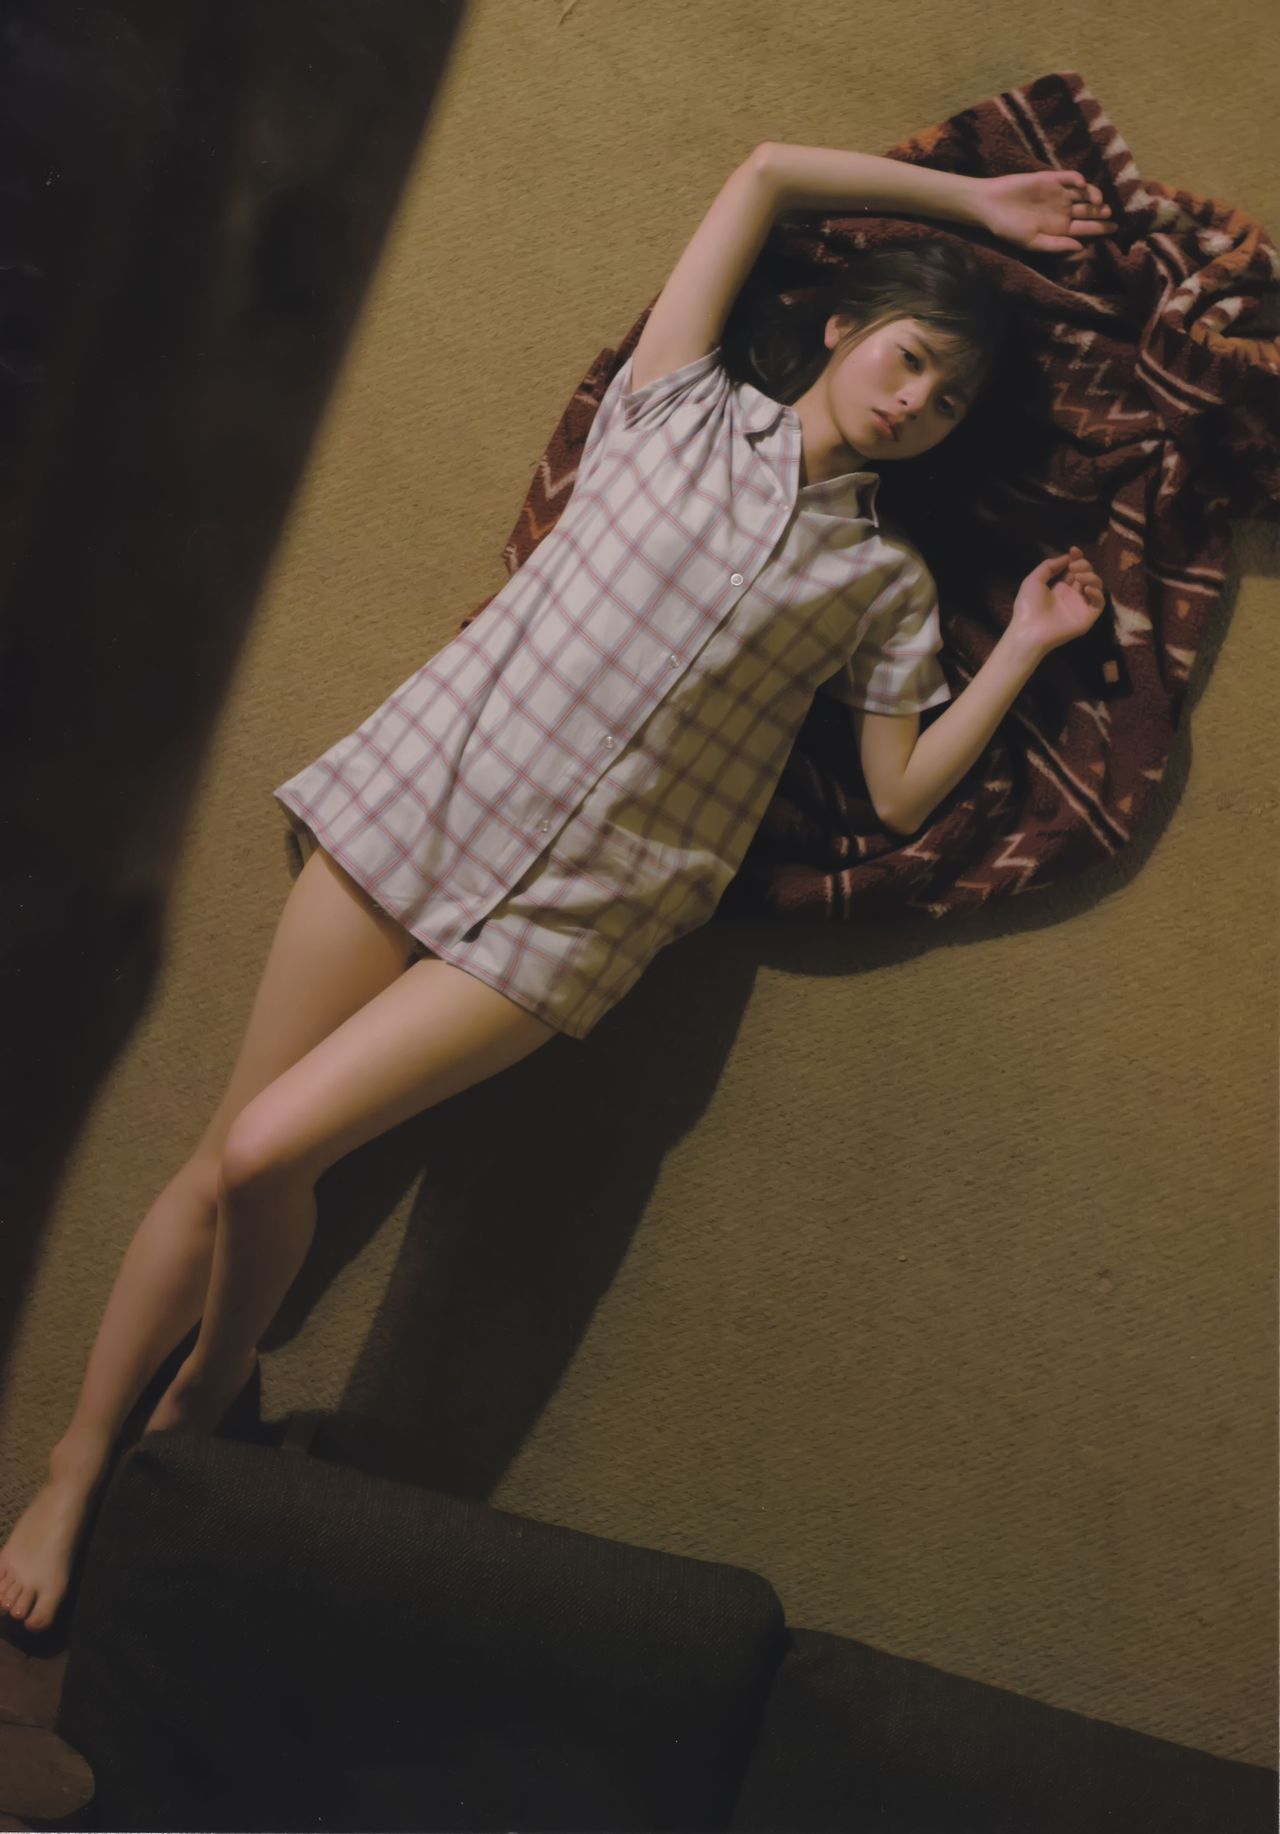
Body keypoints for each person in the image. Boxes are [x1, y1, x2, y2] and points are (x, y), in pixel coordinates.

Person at [0, 140, 1114, 1633]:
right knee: (221, 1157)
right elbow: (765, 174)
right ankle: (79, 1463)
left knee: (268, 1153)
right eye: (911, 359)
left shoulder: (883, 584)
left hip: (575, 913)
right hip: (422, 800)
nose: (918, 404)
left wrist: (1025, 649)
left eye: (952, 401)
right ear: (846, 327)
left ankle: (202, 1386)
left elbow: (901, 793)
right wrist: (978, 207)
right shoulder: (671, 403)